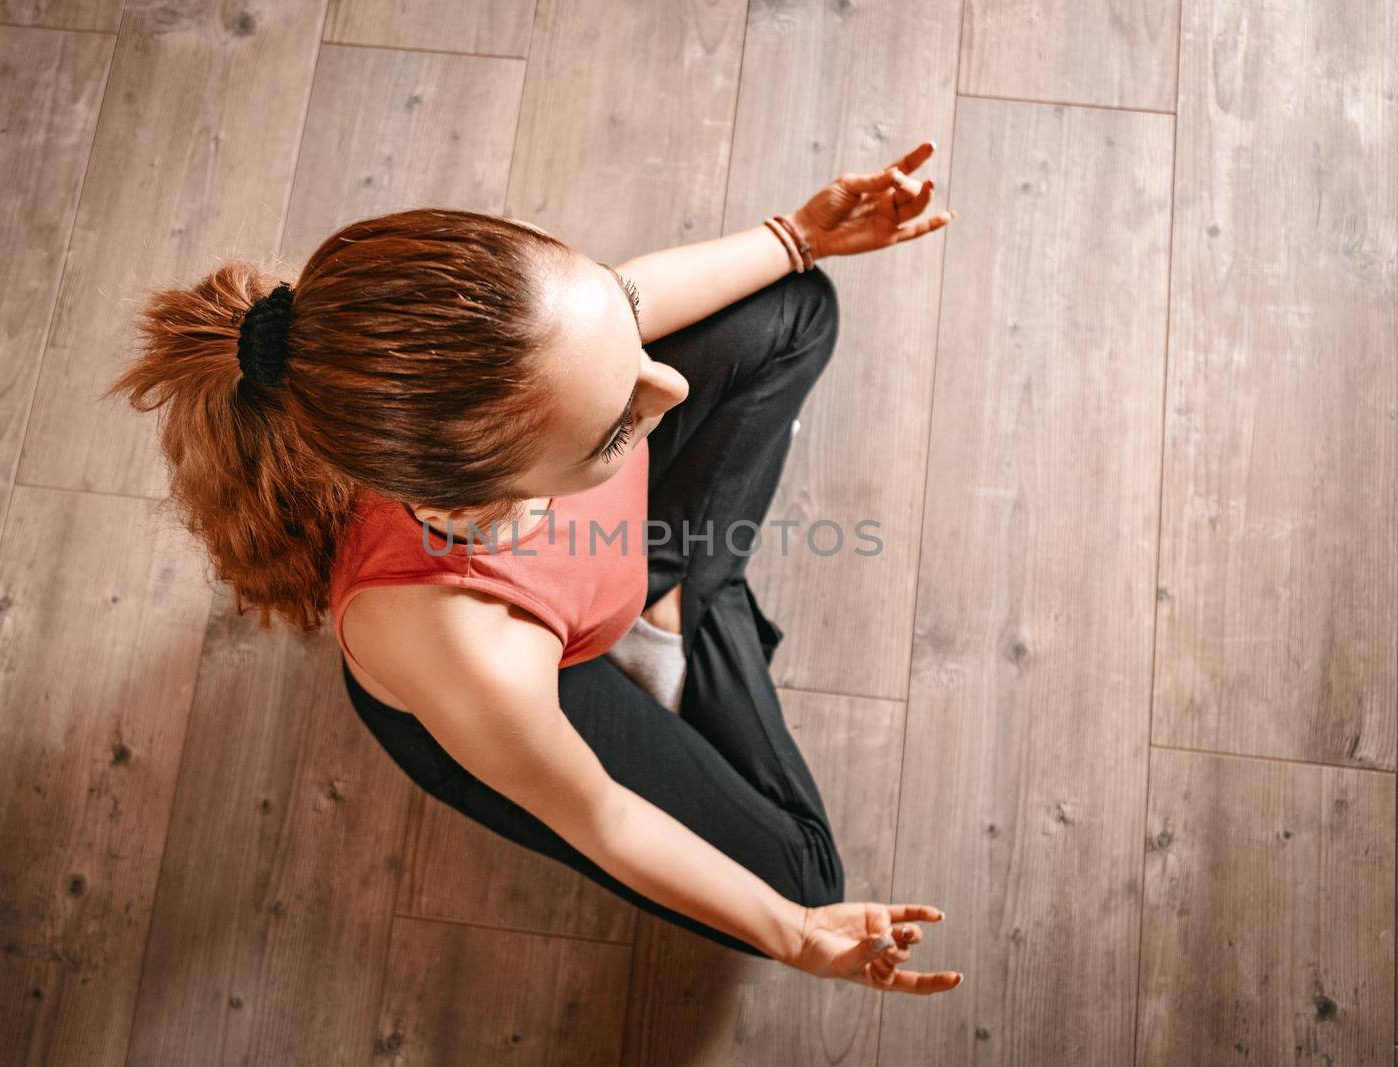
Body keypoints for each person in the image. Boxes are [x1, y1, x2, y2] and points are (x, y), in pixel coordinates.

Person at [106, 141, 960, 993]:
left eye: (627, 343)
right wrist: (803, 934)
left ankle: (668, 602)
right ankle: (692, 603)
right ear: (485, 496)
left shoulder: (509, 356)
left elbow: (640, 298)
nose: (669, 386)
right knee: (806, 880)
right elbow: (605, 817)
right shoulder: (473, 654)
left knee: (794, 304)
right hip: (517, 703)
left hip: (570, 562)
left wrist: (799, 232)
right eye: (618, 425)